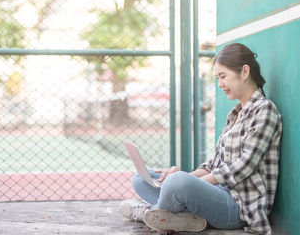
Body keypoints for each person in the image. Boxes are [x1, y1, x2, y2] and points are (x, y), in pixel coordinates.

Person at [119, 43, 282, 234]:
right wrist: (187, 178)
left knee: (177, 182)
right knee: (141, 179)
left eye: (223, 76)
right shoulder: (236, 113)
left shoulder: (264, 110)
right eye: (218, 78)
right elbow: (214, 163)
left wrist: (188, 183)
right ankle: (180, 218)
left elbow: (243, 166)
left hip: (238, 206)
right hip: (217, 194)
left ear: (244, 72)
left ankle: (154, 213)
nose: (219, 84)